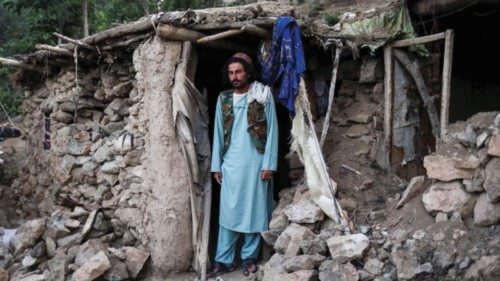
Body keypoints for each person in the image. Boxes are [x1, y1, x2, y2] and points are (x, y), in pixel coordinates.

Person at [210, 53, 278, 277]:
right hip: (231, 164)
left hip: (257, 164)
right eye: (231, 73)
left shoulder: (262, 94)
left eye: (238, 71)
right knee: (228, 214)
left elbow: (273, 131)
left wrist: (269, 163)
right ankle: (223, 259)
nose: (235, 76)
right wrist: (216, 165)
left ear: (248, 72)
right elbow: (218, 133)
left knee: (254, 212)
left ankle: (249, 257)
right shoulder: (224, 99)